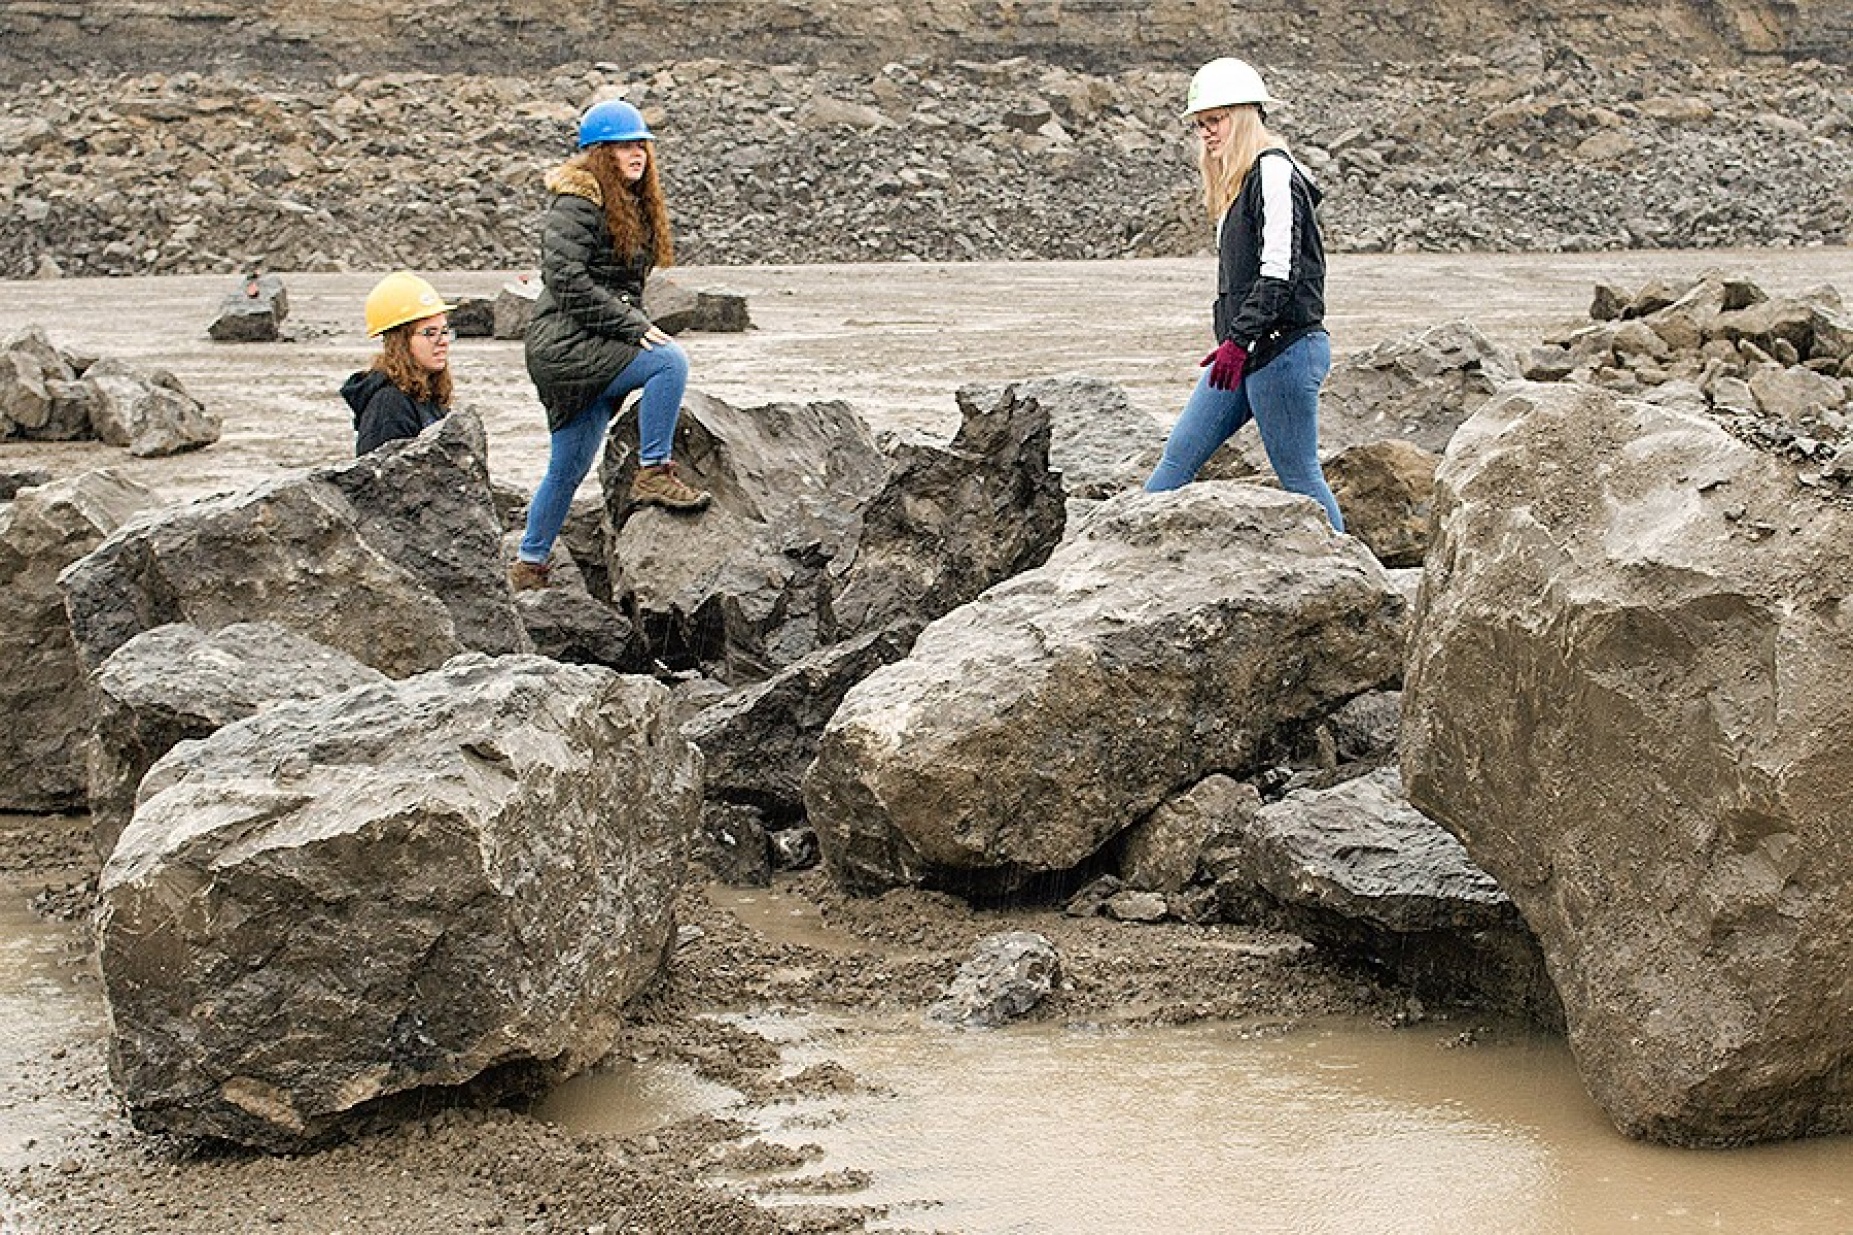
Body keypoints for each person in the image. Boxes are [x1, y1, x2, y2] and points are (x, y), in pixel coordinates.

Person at [512, 97, 708, 592]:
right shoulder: (577, 202)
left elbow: (618, 285)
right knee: (667, 362)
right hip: (565, 348)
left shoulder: (624, 202)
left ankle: (529, 565)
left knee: (570, 464)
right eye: (622, 147)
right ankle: (653, 470)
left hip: (583, 346)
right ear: (599, 154)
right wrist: (631, 325)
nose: (636, 153)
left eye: (640, 144)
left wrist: (628, 319)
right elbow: (564, 278)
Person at [1146, 57, 1344, 532]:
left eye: (1215, 121)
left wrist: (1239, 339)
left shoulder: (1274, 173)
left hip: (1286, 353)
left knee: (1300, 479)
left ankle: (1358, 574)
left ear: (1245, 115)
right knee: (1174, 464)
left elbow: (1280, 272)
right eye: (1200, 125)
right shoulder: (1237, 185)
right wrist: (1233, 342)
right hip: (1246, 352)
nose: (1207, 133)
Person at [343, 271, 456, 456]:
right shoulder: (389, 407)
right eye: (430, 333)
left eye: (444, 331)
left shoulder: (425, 395)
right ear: (400, 342)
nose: (442, 341)